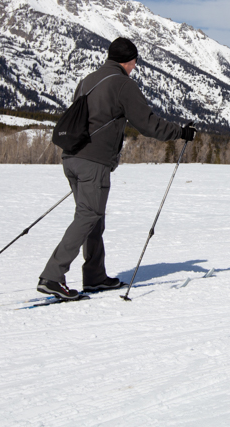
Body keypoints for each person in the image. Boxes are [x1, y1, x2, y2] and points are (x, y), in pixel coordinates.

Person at [37, 37, 196, 300]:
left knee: (93, 217)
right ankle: (52, 276)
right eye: (134, 63)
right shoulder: (122, 83)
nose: (134, 67)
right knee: (89, 215)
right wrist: (180, 132)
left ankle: (95, 276)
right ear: (130, 61)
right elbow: (147, 124)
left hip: (72, 157)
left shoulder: (88, 79)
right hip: (93, 161)